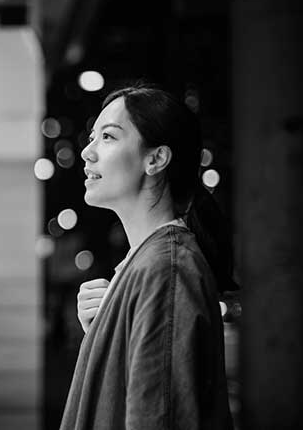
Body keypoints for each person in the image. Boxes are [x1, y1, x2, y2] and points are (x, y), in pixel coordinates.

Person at [60, 86, 236, 429]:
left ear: (155, 159)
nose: (86, 152)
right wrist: (105, 333)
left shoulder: (165, 269)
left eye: (108, 137)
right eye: (92, 136)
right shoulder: (149, 265)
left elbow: (160, 416)